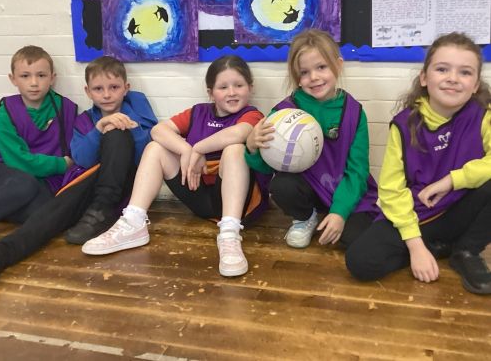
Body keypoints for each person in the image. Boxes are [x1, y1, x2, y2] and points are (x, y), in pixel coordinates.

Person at [82, 55, 269, 278]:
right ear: (211, 92)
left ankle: (229, 234)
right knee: (155, 148)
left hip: (238, 206)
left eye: (238, 85)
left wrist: (198, 148)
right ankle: (133, 222)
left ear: (250, 88)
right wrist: (186, 149)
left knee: (235, 149)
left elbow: (239, 133)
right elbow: (158, 130)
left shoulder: (252, 114)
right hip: (200, 195)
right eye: (223, 87)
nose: (231, 92)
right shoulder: (199, 112)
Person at [0, 56, 157, 286]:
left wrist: (131, 127)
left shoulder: (137, 106)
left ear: (126, 88)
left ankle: (101, 211)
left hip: (127, 188)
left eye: (114, 87)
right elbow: (82, 159)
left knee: (117, 135)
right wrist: (99, 128)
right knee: (51, 216)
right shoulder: (85, 120)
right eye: (98, 89)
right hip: (92, 186)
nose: (107, 95)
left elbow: (147, 156)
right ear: (88, 92)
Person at [346, 32, 491, 295]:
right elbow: (391, 190)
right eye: (442, 69)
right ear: (424, 78)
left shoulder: (483, 116)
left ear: (475, 85)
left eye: (465, 72)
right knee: (360, 262)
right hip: (419, 213)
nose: (453, 78)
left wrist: (452, 180)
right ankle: (435, 247)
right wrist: (415, 246)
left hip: (460, 207)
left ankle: (466, 251)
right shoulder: (405, 125)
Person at [245, 29, 378, 251]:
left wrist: (340, 212)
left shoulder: (354, 112)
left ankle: (334, 212)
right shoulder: (283, 113)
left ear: (338, 65)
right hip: (308, 189)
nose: (314, 77)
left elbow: (358, 170)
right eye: (304, 72)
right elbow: (267, 169)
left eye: (321, 67)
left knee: (355, 239)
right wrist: (251, 148)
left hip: (343, 189)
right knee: (282, 185)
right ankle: (305, 217)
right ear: (296, 76)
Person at [0, 45, 77, 224]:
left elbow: (72, 148)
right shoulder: (4, 116)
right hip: (5, 168)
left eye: (41, 75)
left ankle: (4, 206)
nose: (34, 83)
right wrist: (61, 164)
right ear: (13, 79)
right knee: (24, 184)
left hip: (44, 176)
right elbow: (18, 161)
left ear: (52, 78)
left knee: (48, 210)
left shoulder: (66, 108)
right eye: (25, 76)